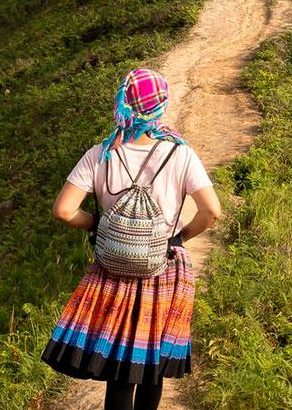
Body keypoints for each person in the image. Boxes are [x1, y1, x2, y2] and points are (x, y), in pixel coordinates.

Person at [42, 67, 223, 410]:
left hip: (114, 270)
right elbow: (211, 210)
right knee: (152, 364)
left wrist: (98, 222)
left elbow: (64, 210)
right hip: (164, 269)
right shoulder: (180, 154)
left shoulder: (101, 153)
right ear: (160, 106)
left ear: (123, 104)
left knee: (121, 369)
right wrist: (178, 237)